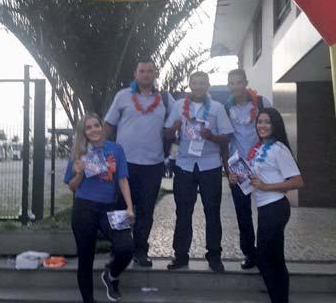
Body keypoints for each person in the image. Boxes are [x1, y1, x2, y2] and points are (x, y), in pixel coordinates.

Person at [103, 60, 175, 267]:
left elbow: (172, 129)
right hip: (124, 163)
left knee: (145, 210)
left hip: (153, 164)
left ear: (155, 74)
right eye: (142, 71)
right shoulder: (123, 96)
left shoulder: (165, 100)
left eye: (149, 71)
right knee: (120, 208)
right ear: (135, 73)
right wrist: (97, 151)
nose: (145, 74)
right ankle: (118, 248)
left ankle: (140, 250)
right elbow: (108, 125)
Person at [229, 107, 304, 303]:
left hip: (276, 208)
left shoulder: (279, 149)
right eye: (259, 122)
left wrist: (266, 186)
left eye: (267, 122)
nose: (262, 126)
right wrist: (236, 177)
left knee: (266, 258)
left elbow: (297, 181)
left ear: (275, 125)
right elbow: (254, 181)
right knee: (274, 258)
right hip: (264, 209)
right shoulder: (257, 149)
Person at [164, 71, 233, 272]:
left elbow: (227, 137)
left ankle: (214, 256)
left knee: (212, 212)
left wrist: (211, 136)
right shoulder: (178, 106)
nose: (199, 86)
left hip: (210, 165)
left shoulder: (218, 108)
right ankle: (181, 255)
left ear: (208, 85)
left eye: (203, 82)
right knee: (183, 212)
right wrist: (174, 127)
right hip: (184, 164)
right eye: (195, 82)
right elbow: (167, 134)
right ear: (190, 84)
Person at [64, 113, 134, 303]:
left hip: (109, 208)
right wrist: (79, 173)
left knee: (126, 247)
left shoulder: (116, 150)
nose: (94, 129)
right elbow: (72, 186)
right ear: (84, 132)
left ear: (102, 127)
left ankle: (111, 275)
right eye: (89, 127)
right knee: (85, 259)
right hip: (84, 209)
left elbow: (122, 179)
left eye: (97, 125)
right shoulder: (79, 152)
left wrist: (129, 206)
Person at [226, 69, 271, 269]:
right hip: (239, 169)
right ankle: (250, 254)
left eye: (239, 82)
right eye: (232, 83)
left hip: (262, 164)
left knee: (267, 211)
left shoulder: (262, 103)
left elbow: (274, 128)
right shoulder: (225, 108)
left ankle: (266, 253)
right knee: (243, 214)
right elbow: (224, 140)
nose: (236, 86)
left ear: (246, 82)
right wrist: (227, 170)